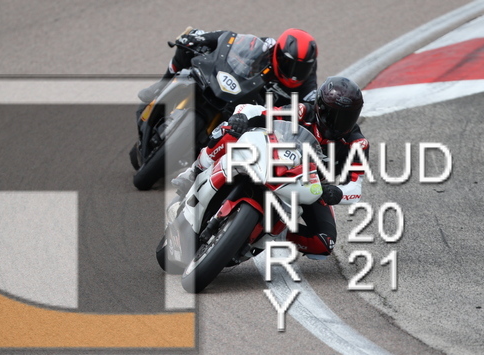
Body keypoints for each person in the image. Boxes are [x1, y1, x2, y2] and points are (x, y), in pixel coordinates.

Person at [172, 76, 368, 259]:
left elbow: (355, 188)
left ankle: (273, 235)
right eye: (332, 115)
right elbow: (257, 111)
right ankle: (196, 170)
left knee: (325, 243)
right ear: (319, 107)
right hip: (274, 159)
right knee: (230, 130)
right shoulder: (302, 111)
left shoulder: (357, 143)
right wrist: (240, 117)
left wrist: (337, 193)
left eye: (347, 117)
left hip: (311, 188)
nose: (338, 123)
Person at [138, 27, 319, 106]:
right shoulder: (266, 47)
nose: (294, 73)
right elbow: (229, 39)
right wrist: (201, 38)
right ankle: (161, 85)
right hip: (236, 88)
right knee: (187, 46)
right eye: (290, 64)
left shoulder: (308, 85)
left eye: (301, 68)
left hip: (254, 113)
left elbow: (310, 109)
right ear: (278, 53)